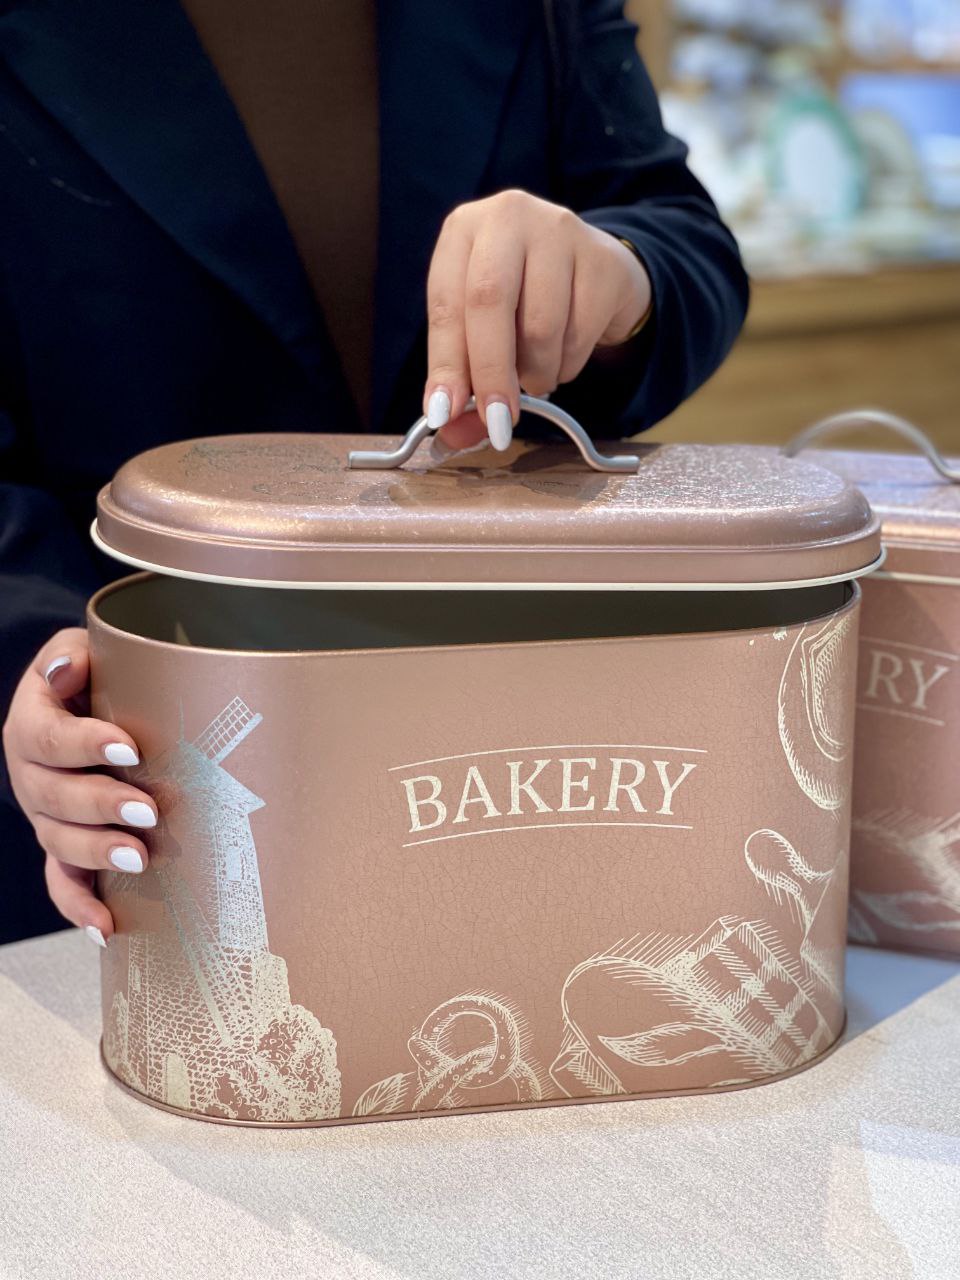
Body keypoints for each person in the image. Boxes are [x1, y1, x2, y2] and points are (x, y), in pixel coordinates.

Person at [0, 0, 749, 945]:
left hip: (525, 756)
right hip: (134, 803)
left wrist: (620, 274)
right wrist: (38, 674)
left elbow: (681, 233)